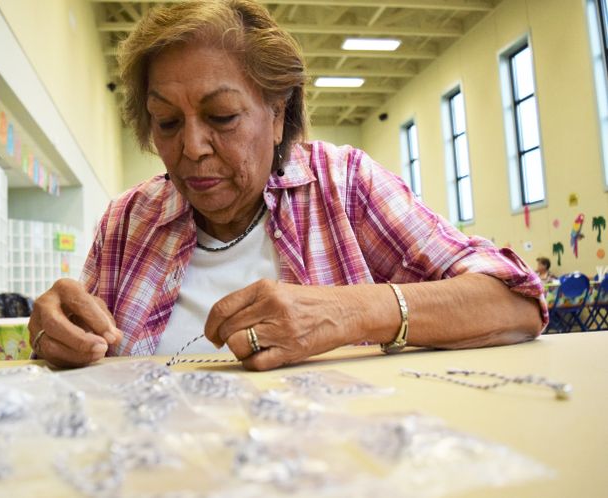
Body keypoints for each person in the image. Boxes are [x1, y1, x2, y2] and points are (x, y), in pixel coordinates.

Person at [28, 0, 546, 371]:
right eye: (166, 122)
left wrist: (351, 310)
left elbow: (516, 302)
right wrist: (59, 334)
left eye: (223, 116)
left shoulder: (345, 186)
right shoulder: (127, 221)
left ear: (277, 116)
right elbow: (83, 351)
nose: (191, 147)